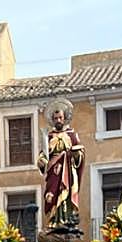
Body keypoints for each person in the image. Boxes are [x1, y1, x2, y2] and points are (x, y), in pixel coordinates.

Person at [36, 97, 84, 230]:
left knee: (66, 193)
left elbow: (80, 153)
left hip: (68, 170)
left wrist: (77, 155)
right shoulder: (49, 136)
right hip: (53, 170)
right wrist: (41, 161)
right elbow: (43, 153)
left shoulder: (72, 135)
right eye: (56, 118)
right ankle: (54, 220)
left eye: (60, 118)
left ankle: (67, 218)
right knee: (52, 195)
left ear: (65, 118)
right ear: (53, 119)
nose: (58, 120)